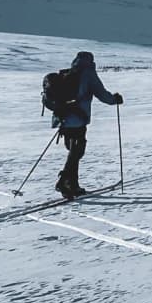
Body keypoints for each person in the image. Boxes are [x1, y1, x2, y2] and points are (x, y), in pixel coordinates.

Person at [56, 51, 122, 199]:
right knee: (77, 152)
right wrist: (114, 100)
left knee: (74, 152)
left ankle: (72, 185)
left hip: (64, 119)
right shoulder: (88, 74)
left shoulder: (70, 72)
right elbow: (101, 93)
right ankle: (64, 181)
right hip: (78, 119)